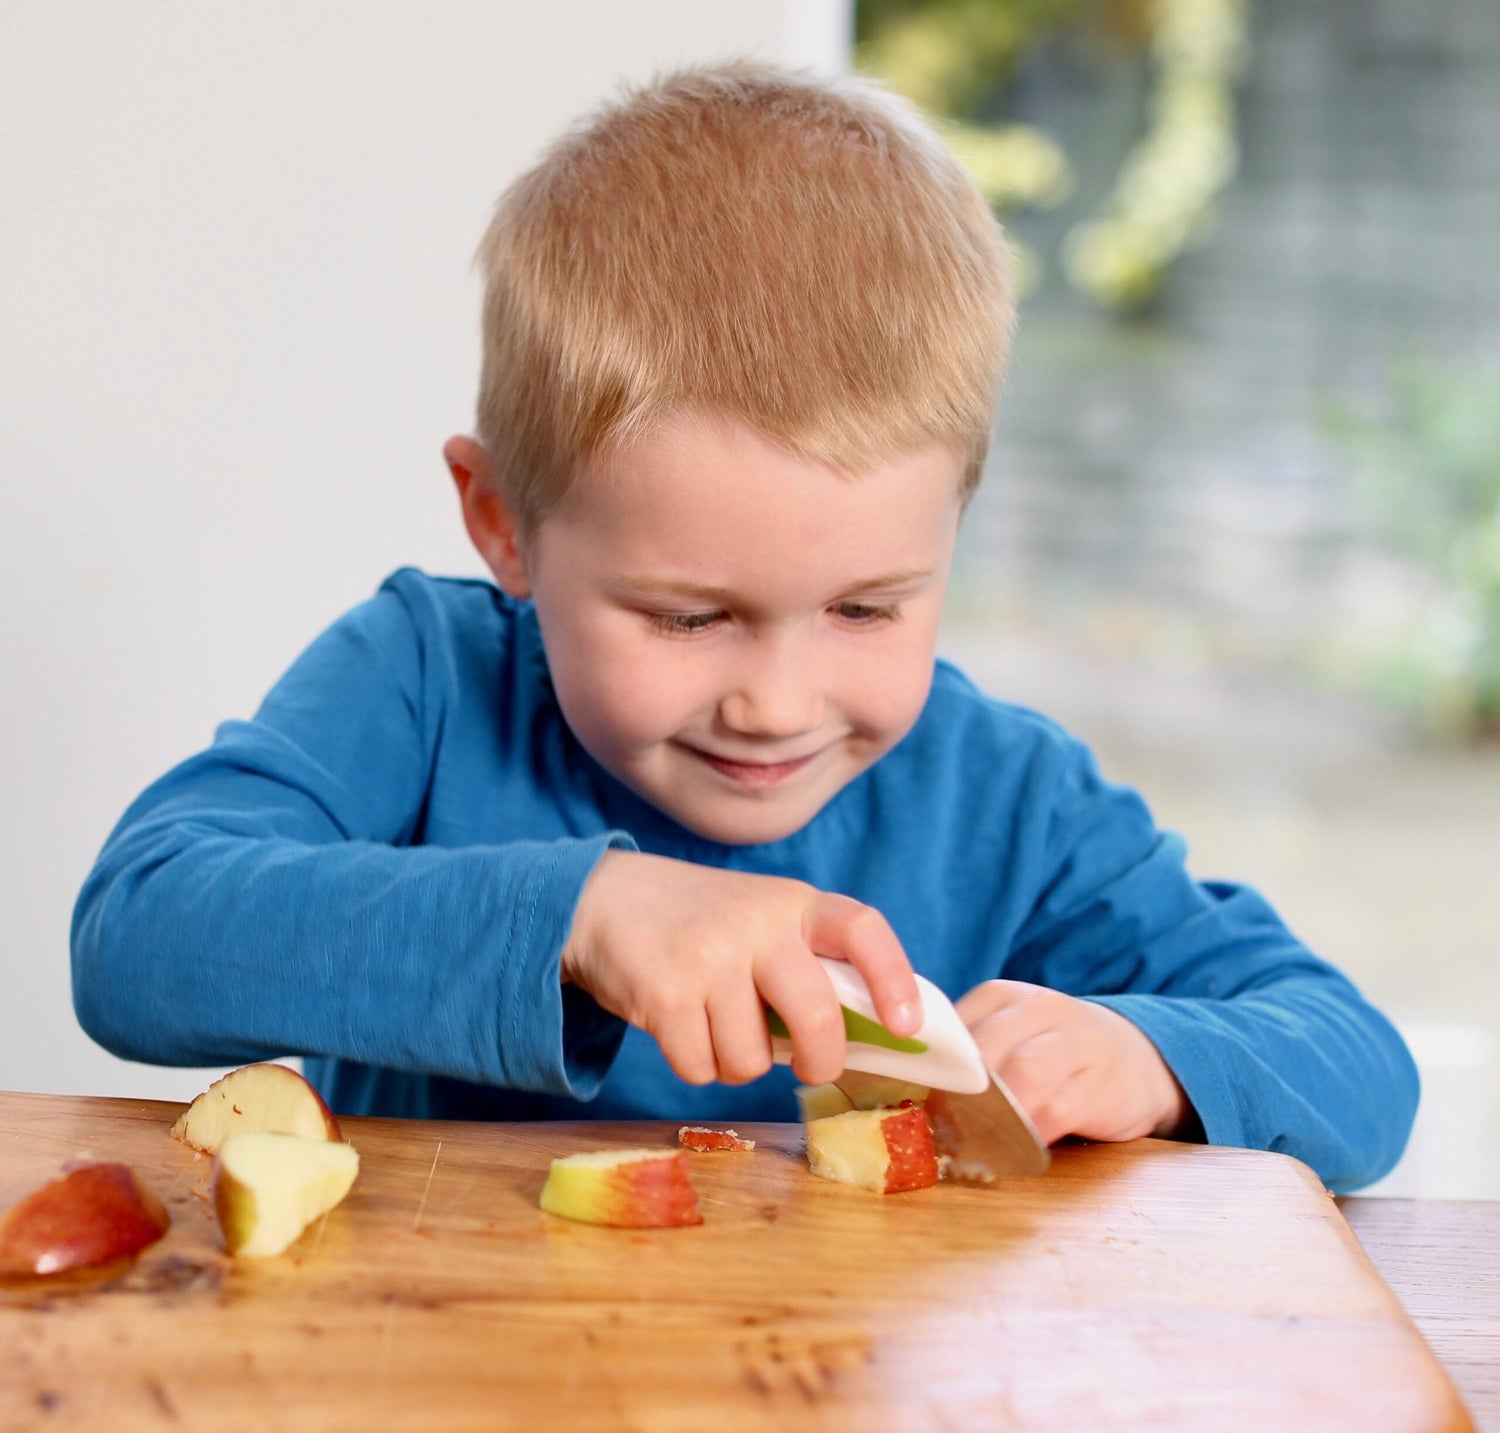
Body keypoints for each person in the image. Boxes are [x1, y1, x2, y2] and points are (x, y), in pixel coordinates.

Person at [71, 62, 1416, 1192]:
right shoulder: (425, 681)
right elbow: (137, 934)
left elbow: (1358, 1062)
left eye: (867, 607)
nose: (777, 700)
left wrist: (1148, 1056)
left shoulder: (1012, 799)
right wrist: (582, 912)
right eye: (689, 614)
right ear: (504, 522)